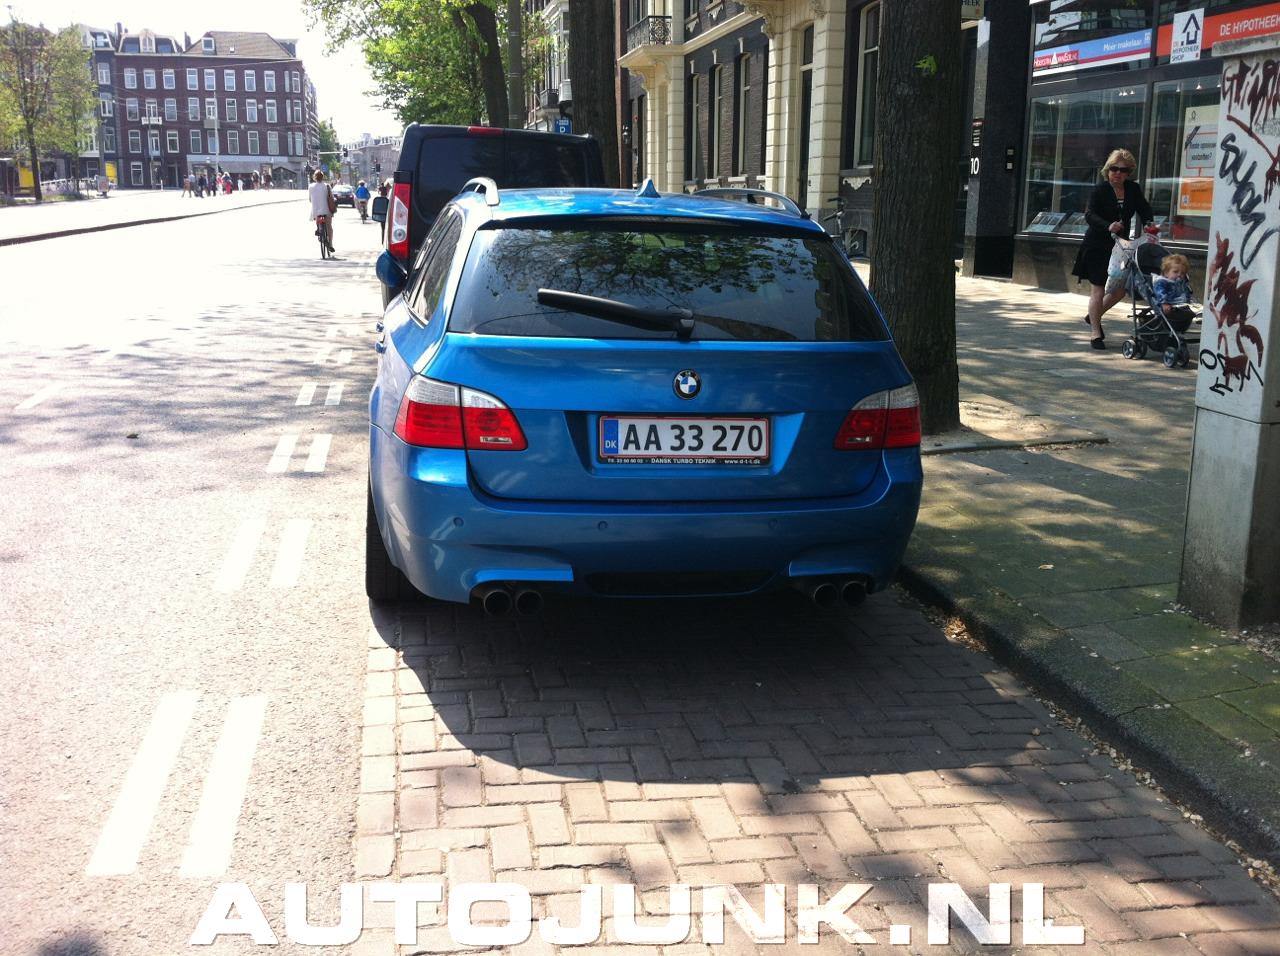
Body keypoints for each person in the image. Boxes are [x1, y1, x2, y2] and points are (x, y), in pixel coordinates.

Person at [1071, 148, 1154, 350]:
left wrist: (1150, 225)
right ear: (1108, 170)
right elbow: (1089, 215)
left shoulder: (1133, 189)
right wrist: (1108, 225)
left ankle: (1094, 315)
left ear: (1129, 173)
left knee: (1119, 290)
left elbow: (1144, 209)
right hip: (1097, 245)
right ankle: (1095, 333)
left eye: (1123, 170)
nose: (1118, 173)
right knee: (1098, 288)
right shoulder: (1099, 190)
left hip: (1120, 247)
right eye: (1114, 169)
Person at [1153, 253, 1194, 319]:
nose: (1179, 274)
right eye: (1175, 272)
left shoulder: (1181, 282)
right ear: (1166, 272)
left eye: (1182, 273)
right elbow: (1160, 294)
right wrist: (1164, 303)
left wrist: (1189, 299)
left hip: (1181, 304)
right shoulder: (1162, 282)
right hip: (1169, 306)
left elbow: (1185, 291)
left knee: (1191, 313)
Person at [309, 170, 335, 252]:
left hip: (316, 210)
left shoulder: (311, 186)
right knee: (329, 226)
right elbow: (331, 197)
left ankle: (319, 229)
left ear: (314, 177)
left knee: (316, 215)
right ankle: (330, 244)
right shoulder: (327, 186)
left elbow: (310, 199)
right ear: (323, 177)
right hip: (326, 210)